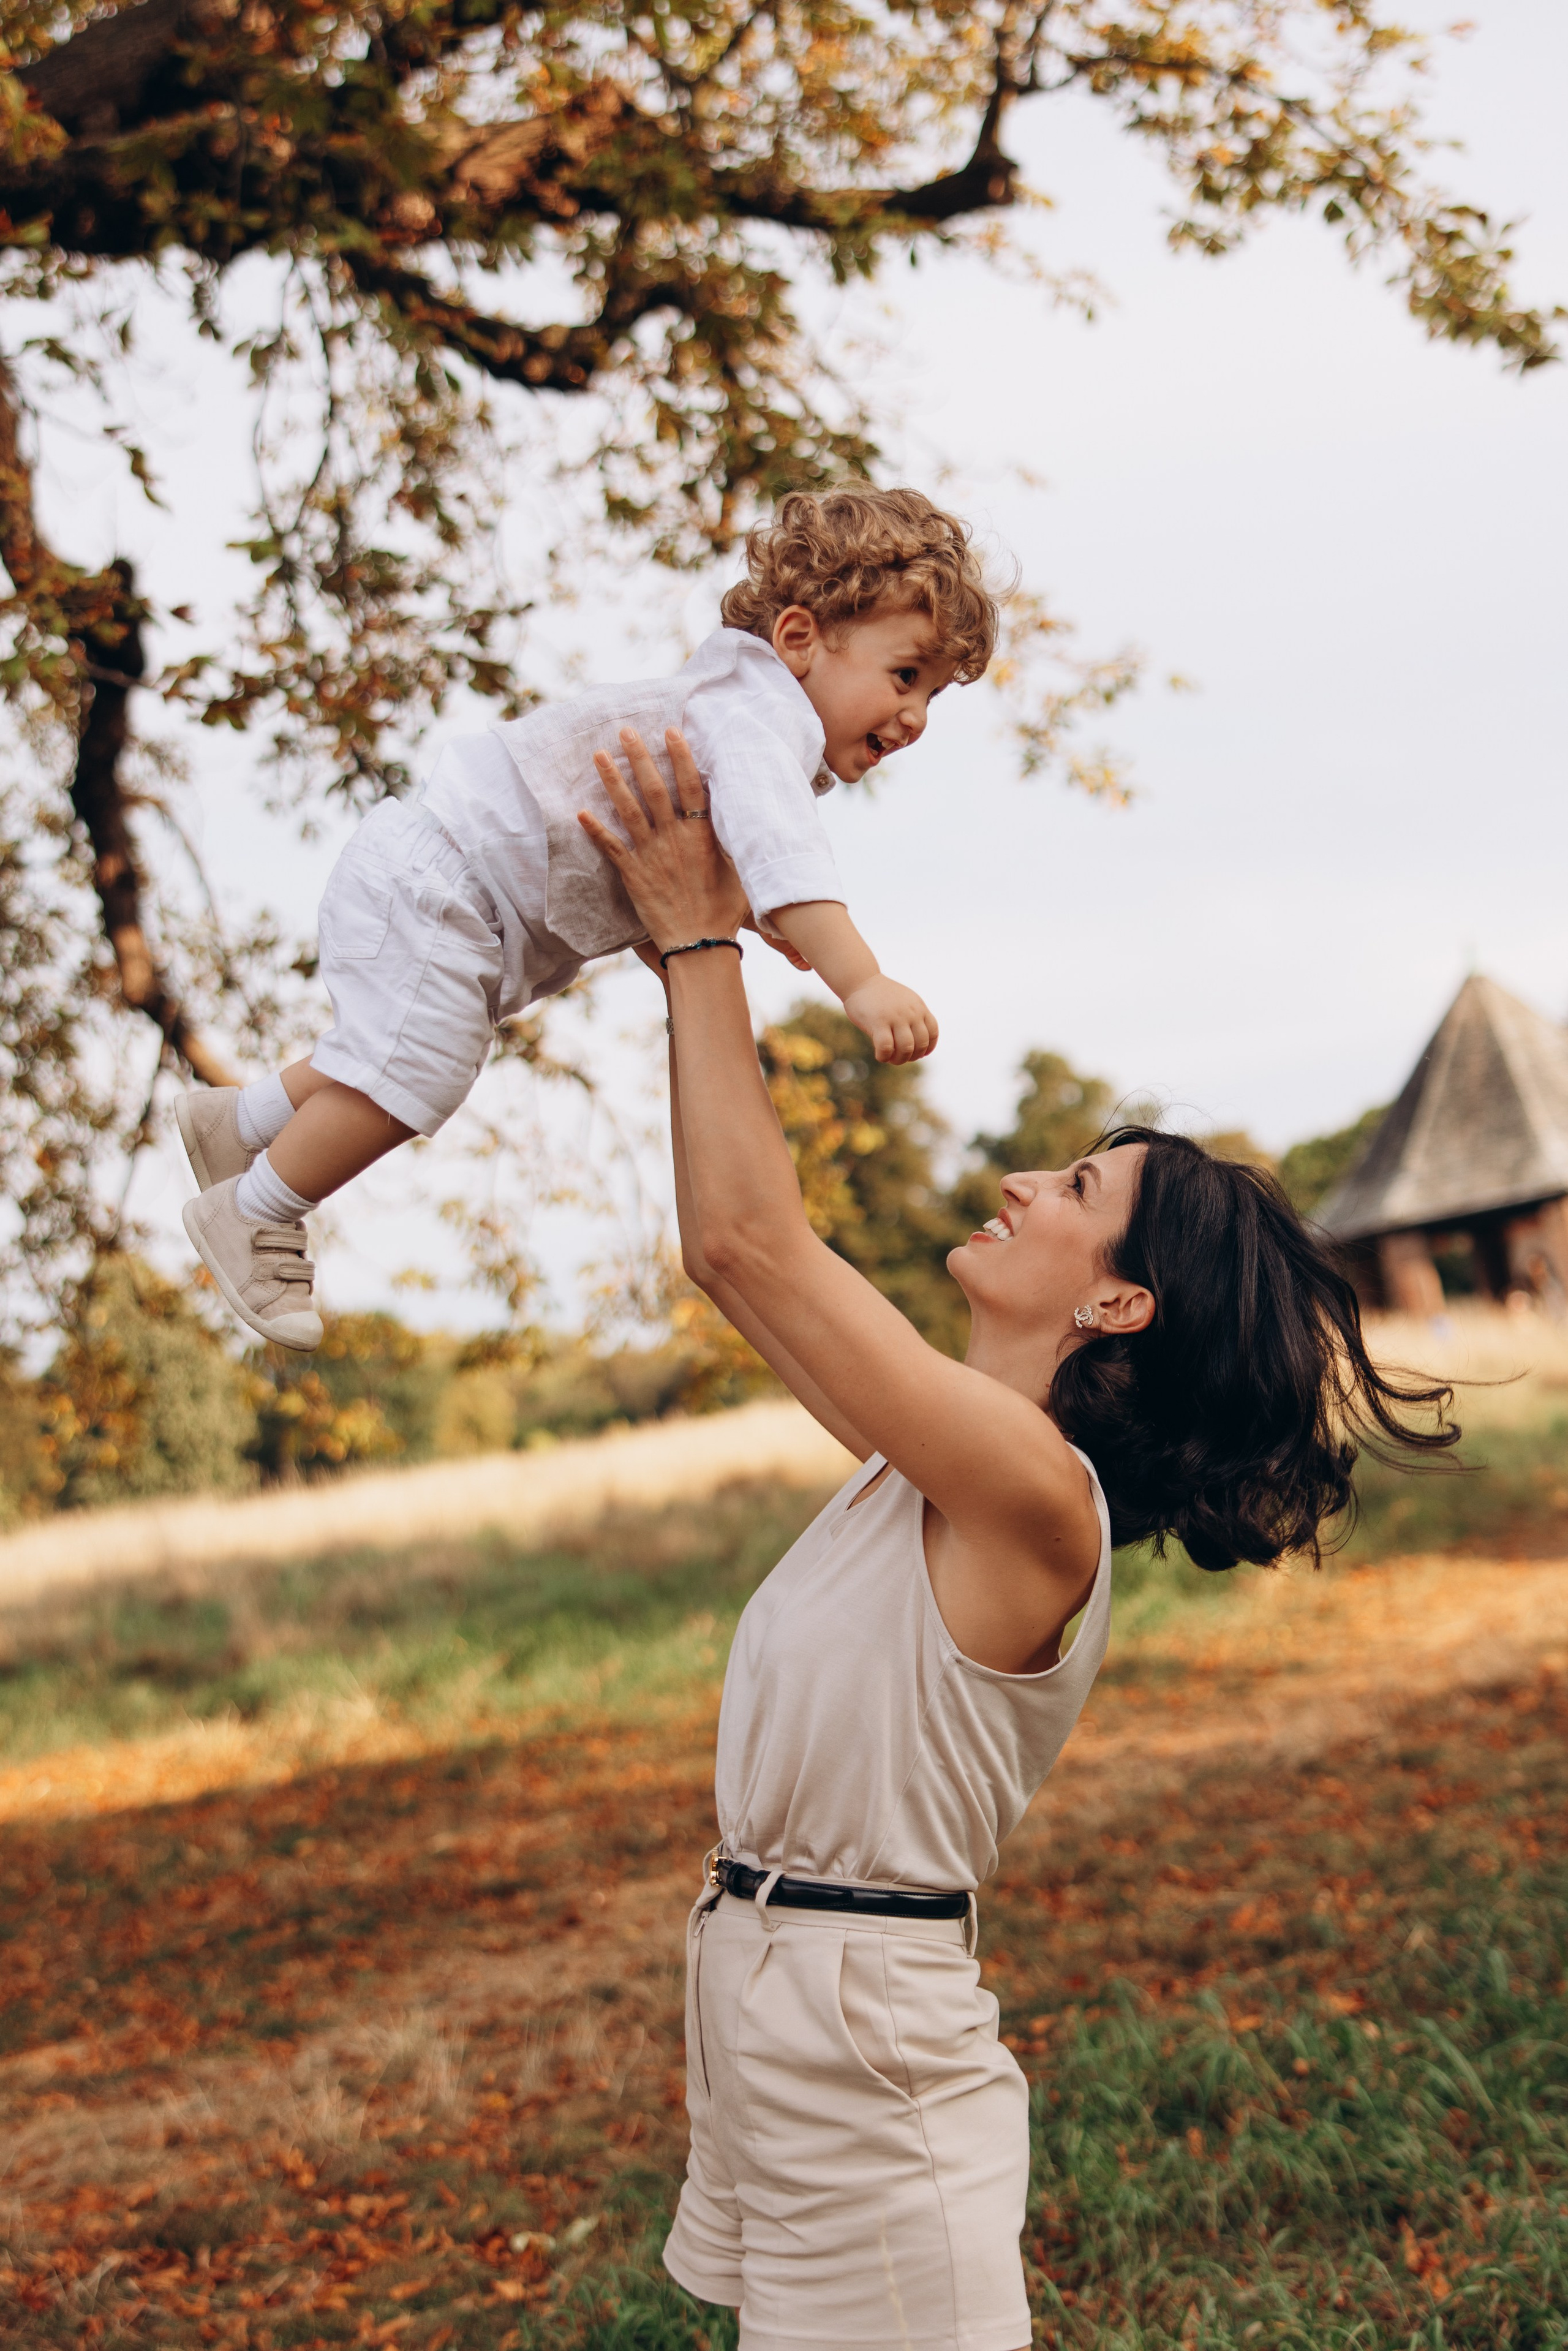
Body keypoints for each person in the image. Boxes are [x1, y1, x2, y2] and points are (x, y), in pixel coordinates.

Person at [578, 726, 1458, 2351]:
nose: (1012, 1179)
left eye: (1068, 1184)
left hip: (870, 2072)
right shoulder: (927, 1468)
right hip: (785, 2025)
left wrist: (703, 933)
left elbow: (762, 1241)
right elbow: (727, 1247)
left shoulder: (1035, 1493)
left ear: (1119, 1298)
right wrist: (677, 943)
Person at [175, 486, 998, 1354]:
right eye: (906, 676)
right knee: (419, 1072)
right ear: (799, 640)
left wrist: (761, 917)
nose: (915, 717)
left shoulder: (738, 710)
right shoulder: (762, 722)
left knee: (389, 1053)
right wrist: (858, 978)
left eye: (935, 697)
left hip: (441, 879)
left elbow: (739, 856)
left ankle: (240, 1125)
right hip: (448, 881)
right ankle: (256, 1213)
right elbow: (787, 856)